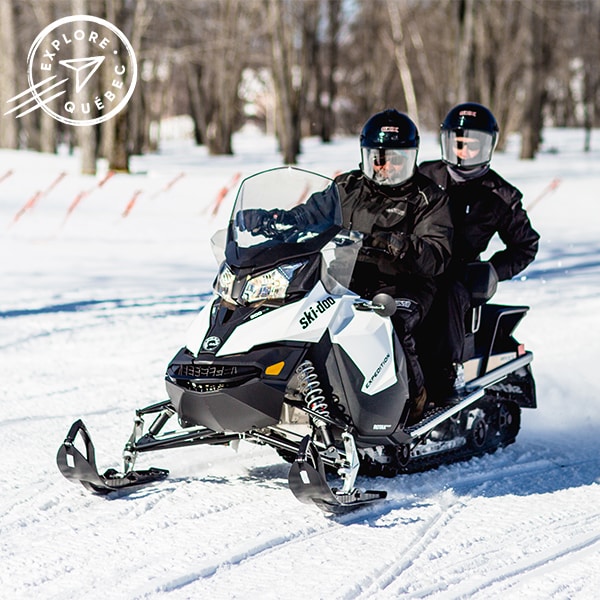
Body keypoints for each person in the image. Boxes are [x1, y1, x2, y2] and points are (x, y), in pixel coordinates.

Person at [238, 109, 453, 424]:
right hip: (345, 278)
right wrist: (275, 221)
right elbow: (309, 216)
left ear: (411, 159)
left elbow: (437, 254)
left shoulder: (428, 198)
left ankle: (414, 403)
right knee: (293, 312)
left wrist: (395, 243)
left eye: (397, 159)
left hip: (405, 283)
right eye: (380, 158)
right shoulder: (348, 187)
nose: (387, 167)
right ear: (366, 157)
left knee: (392, 322)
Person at [418, 102, 540, 405]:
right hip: (414, 261)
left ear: (488, 147)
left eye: (472, 145)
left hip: (459, 273)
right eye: (458, 143)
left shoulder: (501, 195)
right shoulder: (423, 175)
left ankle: (444, 379)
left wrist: (491, 272)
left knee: (445, 294)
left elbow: (526, 245)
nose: (463, 152)